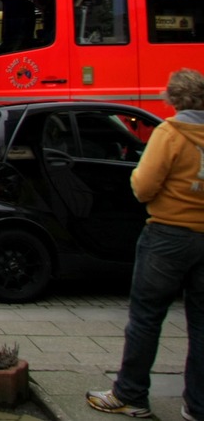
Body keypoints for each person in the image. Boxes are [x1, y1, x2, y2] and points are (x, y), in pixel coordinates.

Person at [87, 68, 204, 420]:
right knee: (201, 325)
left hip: (168, 234)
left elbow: (143, 186)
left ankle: (131, 394)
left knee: (146, 318)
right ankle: (197, 405)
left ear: (173, 98)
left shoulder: (170, 133)